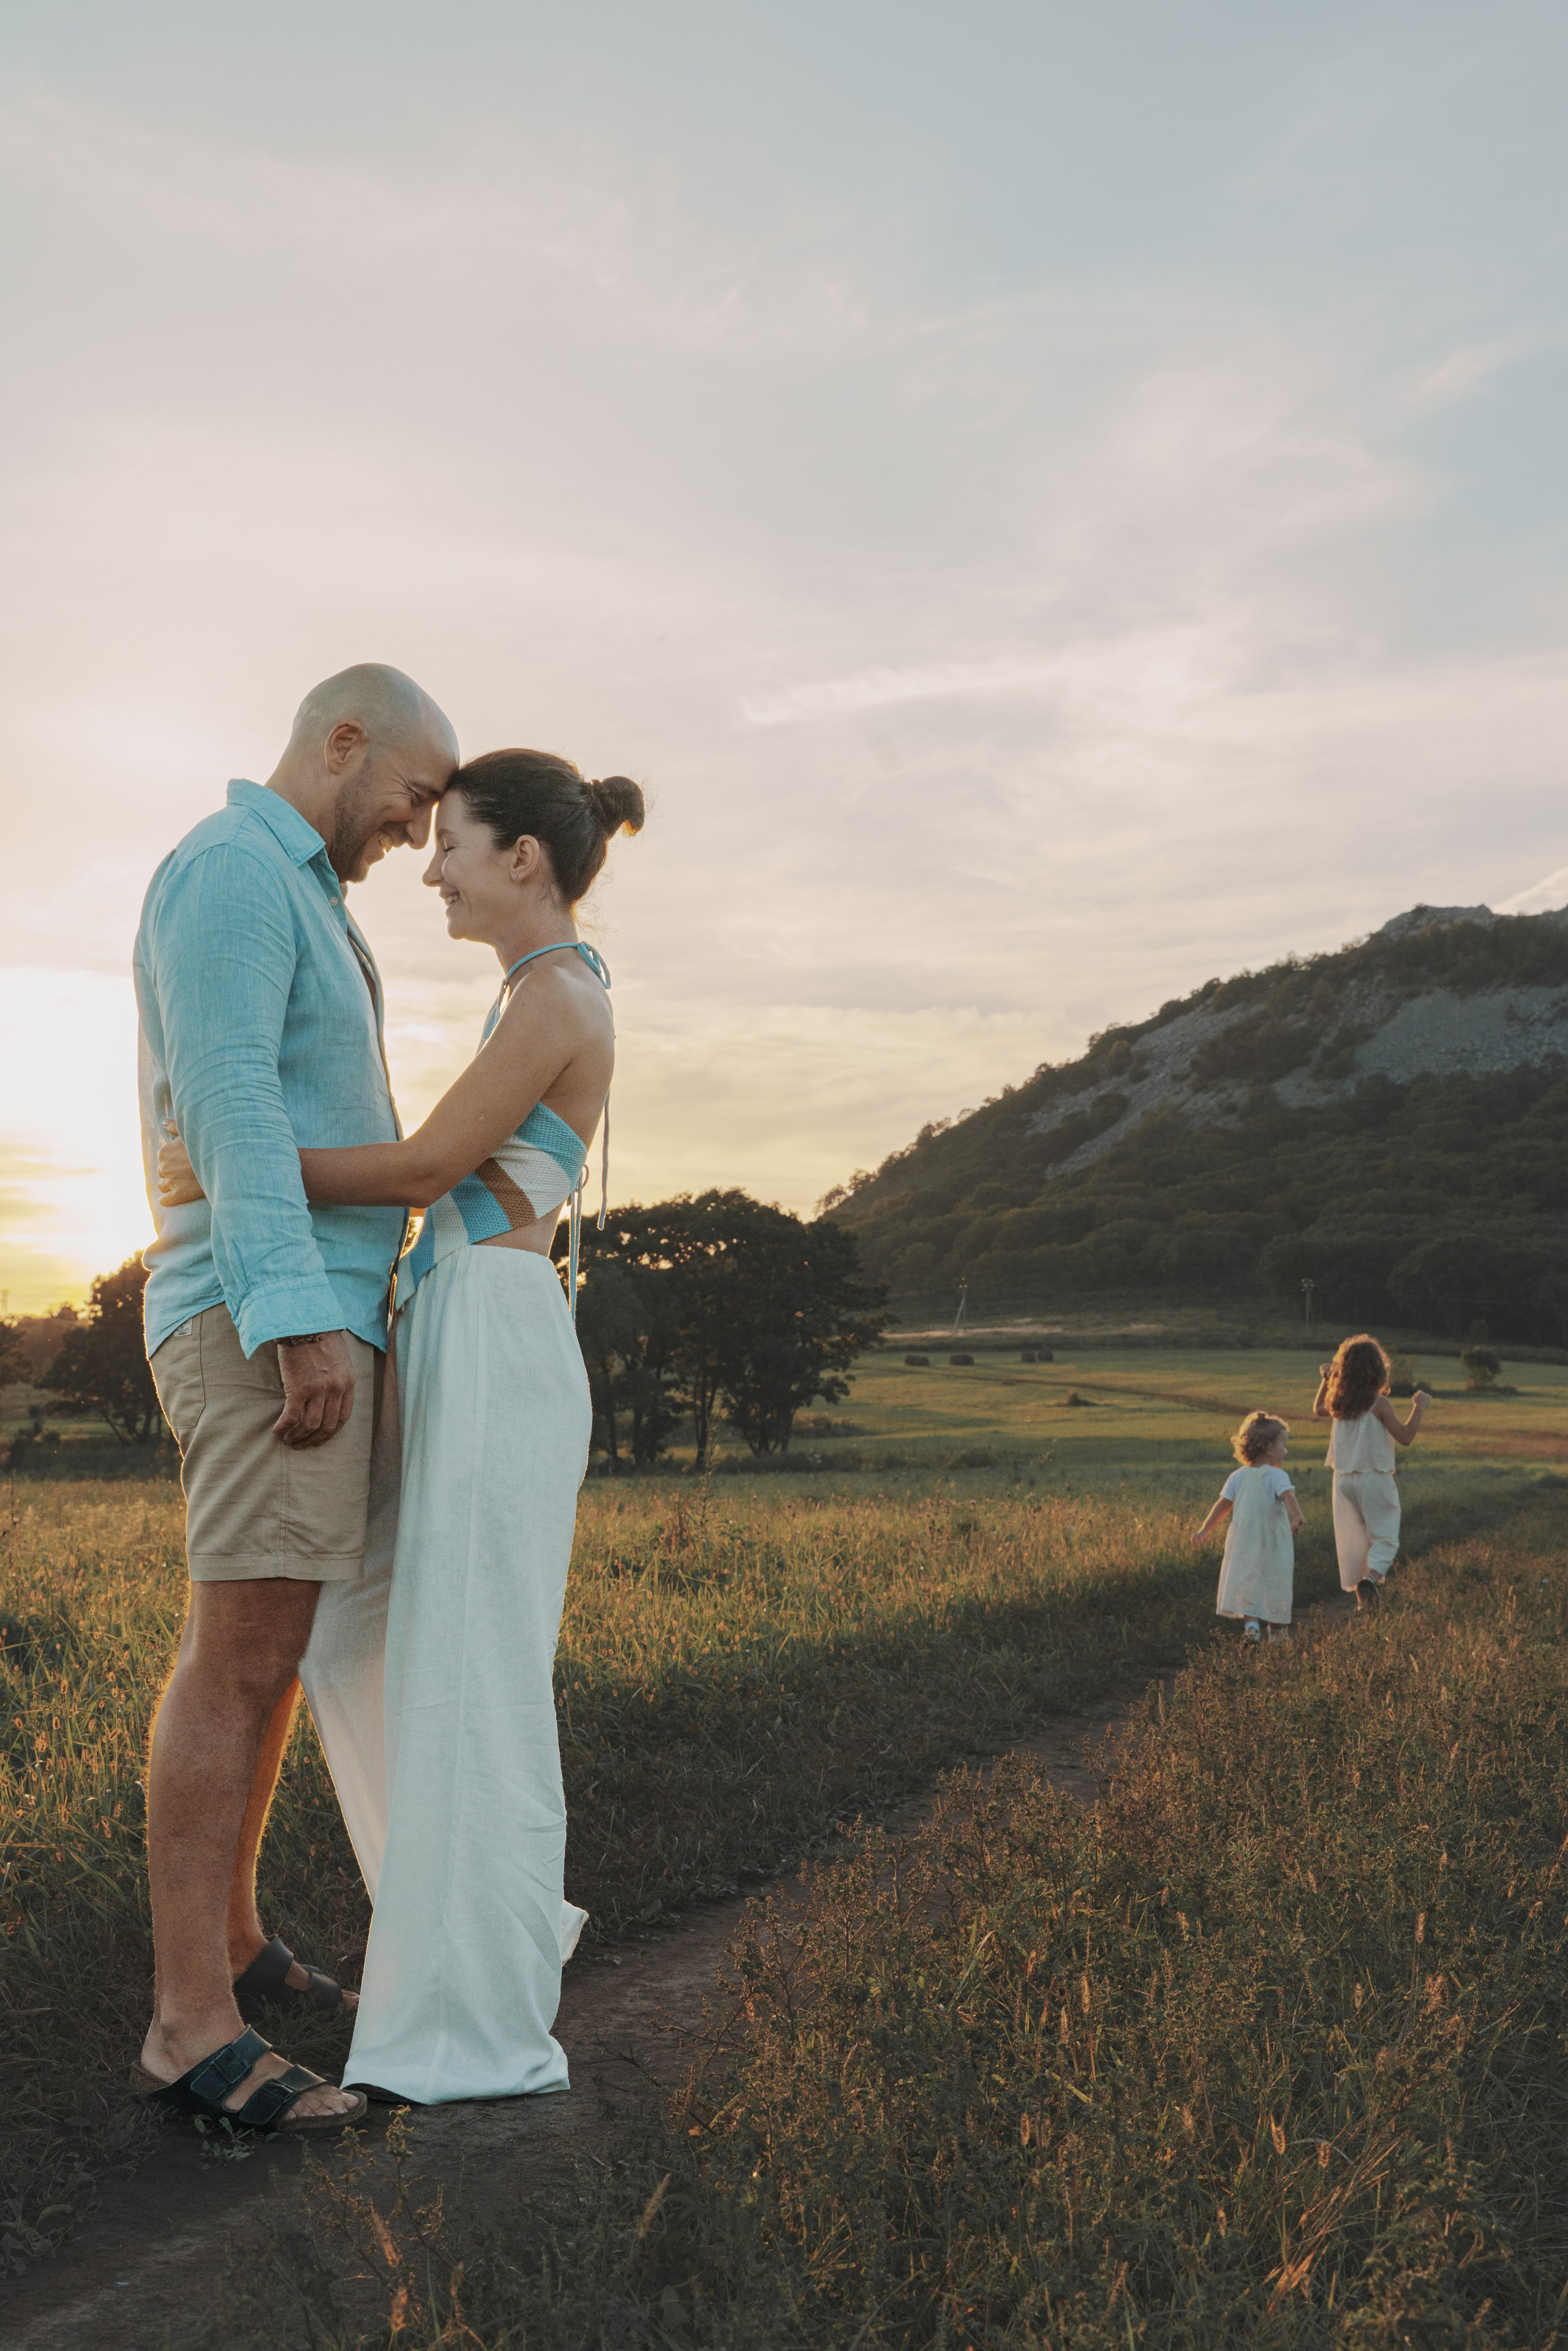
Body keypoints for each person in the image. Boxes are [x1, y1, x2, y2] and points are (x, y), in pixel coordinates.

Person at [160, 749, 644, 2105]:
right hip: (463, 1327)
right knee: (372, 1639)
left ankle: (471, 2010)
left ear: (522, 861)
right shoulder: (534, 990)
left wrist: (235, 1156)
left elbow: (432, 1168)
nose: (429, 866)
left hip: (490, 1333)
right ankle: (458, 1938)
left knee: (466, 1671)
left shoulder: (556, 993)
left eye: (455, 844)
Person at [131, 664, 459, 2134]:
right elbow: (230, 1101)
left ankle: (244, 1949)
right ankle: (187, 2026)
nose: (418, 826)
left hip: (314, 1308)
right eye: (415, 792)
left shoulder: (304, 892)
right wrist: (295, 1318)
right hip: (265, 1317)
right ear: (344, 741)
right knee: (238, 1649)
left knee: (276, 1648)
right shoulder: (229, 874)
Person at [1311, 1335, 1431, 1609]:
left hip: (1342, 1481)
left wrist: (1327, 1380)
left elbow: (1317, 1408)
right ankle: (1372, 1578)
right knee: (1385, 1538)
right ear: (1377, 1370)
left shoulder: (1339, 1403)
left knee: (1354, 1541)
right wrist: (1419, 1408)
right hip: (1373, 1478)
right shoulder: (1380, 1404)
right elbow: (1405, 1437)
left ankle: (1363, 1602)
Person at [1193, 1411, 1303, 1644]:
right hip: (1273, 1544)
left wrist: (1205, 1529)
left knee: (1247, 1580)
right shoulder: (1276, 1474)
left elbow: (1223, 1505)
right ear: (1269, 1448)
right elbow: (1289, 1497)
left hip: (1245, 1541)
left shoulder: (1238, 1476)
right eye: (1284, 1445)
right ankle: (1276, 1632)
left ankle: (1252, 1626)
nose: (1286, 1450)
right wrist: (1296, 1517)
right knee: (1276, 1581)